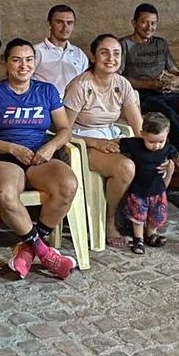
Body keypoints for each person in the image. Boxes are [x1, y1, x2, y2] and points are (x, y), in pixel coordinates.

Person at [0, 39, 80, 280]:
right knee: (6, 193)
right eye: (16, 60)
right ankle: (45, 252)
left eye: (29, 60)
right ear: (6, 63)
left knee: (68, 184)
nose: (24, 66)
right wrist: (12, 148)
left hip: (39, 157)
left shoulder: (47, 91)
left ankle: (28, 249)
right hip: (4, 158)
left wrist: (51, 146)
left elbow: (65, 129)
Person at [62, 34, 143, 248]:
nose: (111, 58)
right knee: (125, 167)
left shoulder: (122, 84)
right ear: (93, 56)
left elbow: (139, 128)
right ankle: (109, 220)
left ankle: (144, 222)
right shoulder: (80, 86)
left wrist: (156, 149)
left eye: (116, 53)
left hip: (112, 136)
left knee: (163, 163)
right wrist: (95, 143)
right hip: (82, 143)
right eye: (104, 53)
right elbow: (63, 132)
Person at [120, 3, 179, 163]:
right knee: (168, 114)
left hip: (164, 91)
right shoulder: (124, 45)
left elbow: (175, 71)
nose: (149, 27)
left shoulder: (161, 44)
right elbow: (119, 79)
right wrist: (149, 84)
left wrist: (177, 79)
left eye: (153, 23)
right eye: (144, 22)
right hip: (140, 96)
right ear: (134, 23)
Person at [119, 113, 179, 254]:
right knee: (138, 216)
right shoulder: (135, 145)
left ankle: (151, 234)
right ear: (142, 134)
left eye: (160, 141)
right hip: (138, 190)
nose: (156, 146)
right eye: (151, 142)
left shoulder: (167, 148)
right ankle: (138, 239)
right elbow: (119, 143)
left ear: (167, 134)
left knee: (156, 215)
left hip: (157, 190)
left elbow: (176, 156)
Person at [33, 5, 88, 96]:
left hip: (73, 103)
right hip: (44, 103)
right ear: (50, 24)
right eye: (59, 22)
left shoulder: (79, 54)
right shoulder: (35, 52)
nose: (65, 27)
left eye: (69, 23)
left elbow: (85, 84)